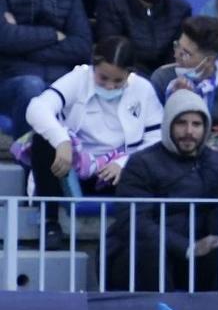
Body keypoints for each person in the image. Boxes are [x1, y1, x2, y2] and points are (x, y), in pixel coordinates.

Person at [107, 90, 218, 292]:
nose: (189, 131)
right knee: (149, 249)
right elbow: (134, 221)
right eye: (181, 123)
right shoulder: (142, 163)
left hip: (198, 255)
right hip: (147, 255)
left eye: (196, 124)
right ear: (168, 125)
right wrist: (187, 247)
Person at [22, 37, 163, 207]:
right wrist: (61, 141)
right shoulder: (79, 78)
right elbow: (36, 108)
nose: (110, 86)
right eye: (103, 78)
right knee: (42, 142)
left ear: (130, 73)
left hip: (116, 174)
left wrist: (123, 164)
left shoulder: (143, 88)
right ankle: (49, 221)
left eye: (118, 81)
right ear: (93, 66)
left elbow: (156, 138)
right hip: (70, 168)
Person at [151, 16, 218, 154]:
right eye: (177, 46)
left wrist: (210, 151)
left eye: (185, 54)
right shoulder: (162, 80)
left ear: (209, 61)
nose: (176, 55)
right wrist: (174, 103)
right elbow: (152, 135)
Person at [0, 0, 92, 141]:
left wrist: (23, 47)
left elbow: (82, 46)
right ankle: (28, 157)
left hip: (60, 78)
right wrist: (53, 35)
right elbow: (4, 38)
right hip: (13, 80)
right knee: (30, 86)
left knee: (81, 88)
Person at [95, 0, 193, 77]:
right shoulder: (113, 2)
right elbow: (113, 50)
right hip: (127, 75)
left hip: (163, 77)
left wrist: (161, 77)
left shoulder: (181, 9)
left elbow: (175, 55)